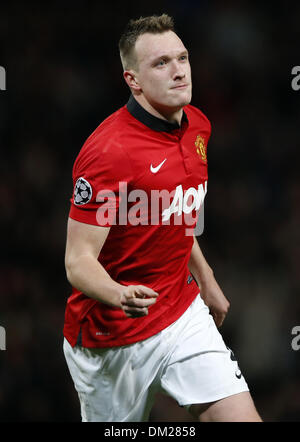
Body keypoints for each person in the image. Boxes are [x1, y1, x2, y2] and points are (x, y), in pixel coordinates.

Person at [63, 14, 262, 422]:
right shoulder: (109, 153)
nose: (179, 71)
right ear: (133, 80)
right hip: (111, 337)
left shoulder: (199, 127)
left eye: (183, 58)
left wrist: (205, 279)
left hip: (181, 313)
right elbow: (78, 261)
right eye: (161, 63)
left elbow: (178, 220)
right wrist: (119, 293)